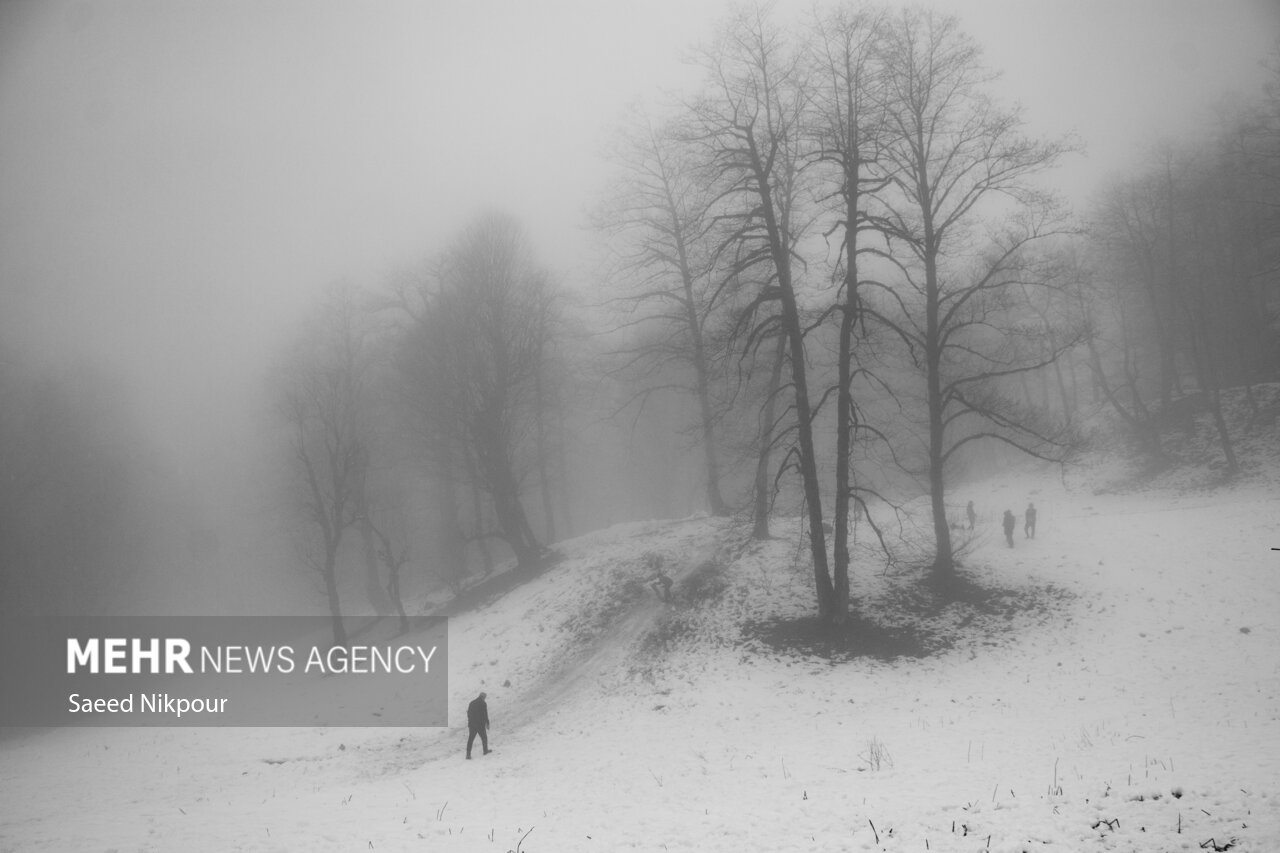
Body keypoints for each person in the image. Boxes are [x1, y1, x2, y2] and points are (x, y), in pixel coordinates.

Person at [466, 692, 490, 759]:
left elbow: (468, 713)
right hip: (480, 725)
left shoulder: (472, 703)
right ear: (483, 697)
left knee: (470, 739)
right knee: (484, 738)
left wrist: (470, 722)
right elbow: (485, 714)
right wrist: (487, 723)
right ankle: (485, 751)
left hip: (472, 724)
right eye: (485, 697)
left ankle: (468, 754)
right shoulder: (483, 703)